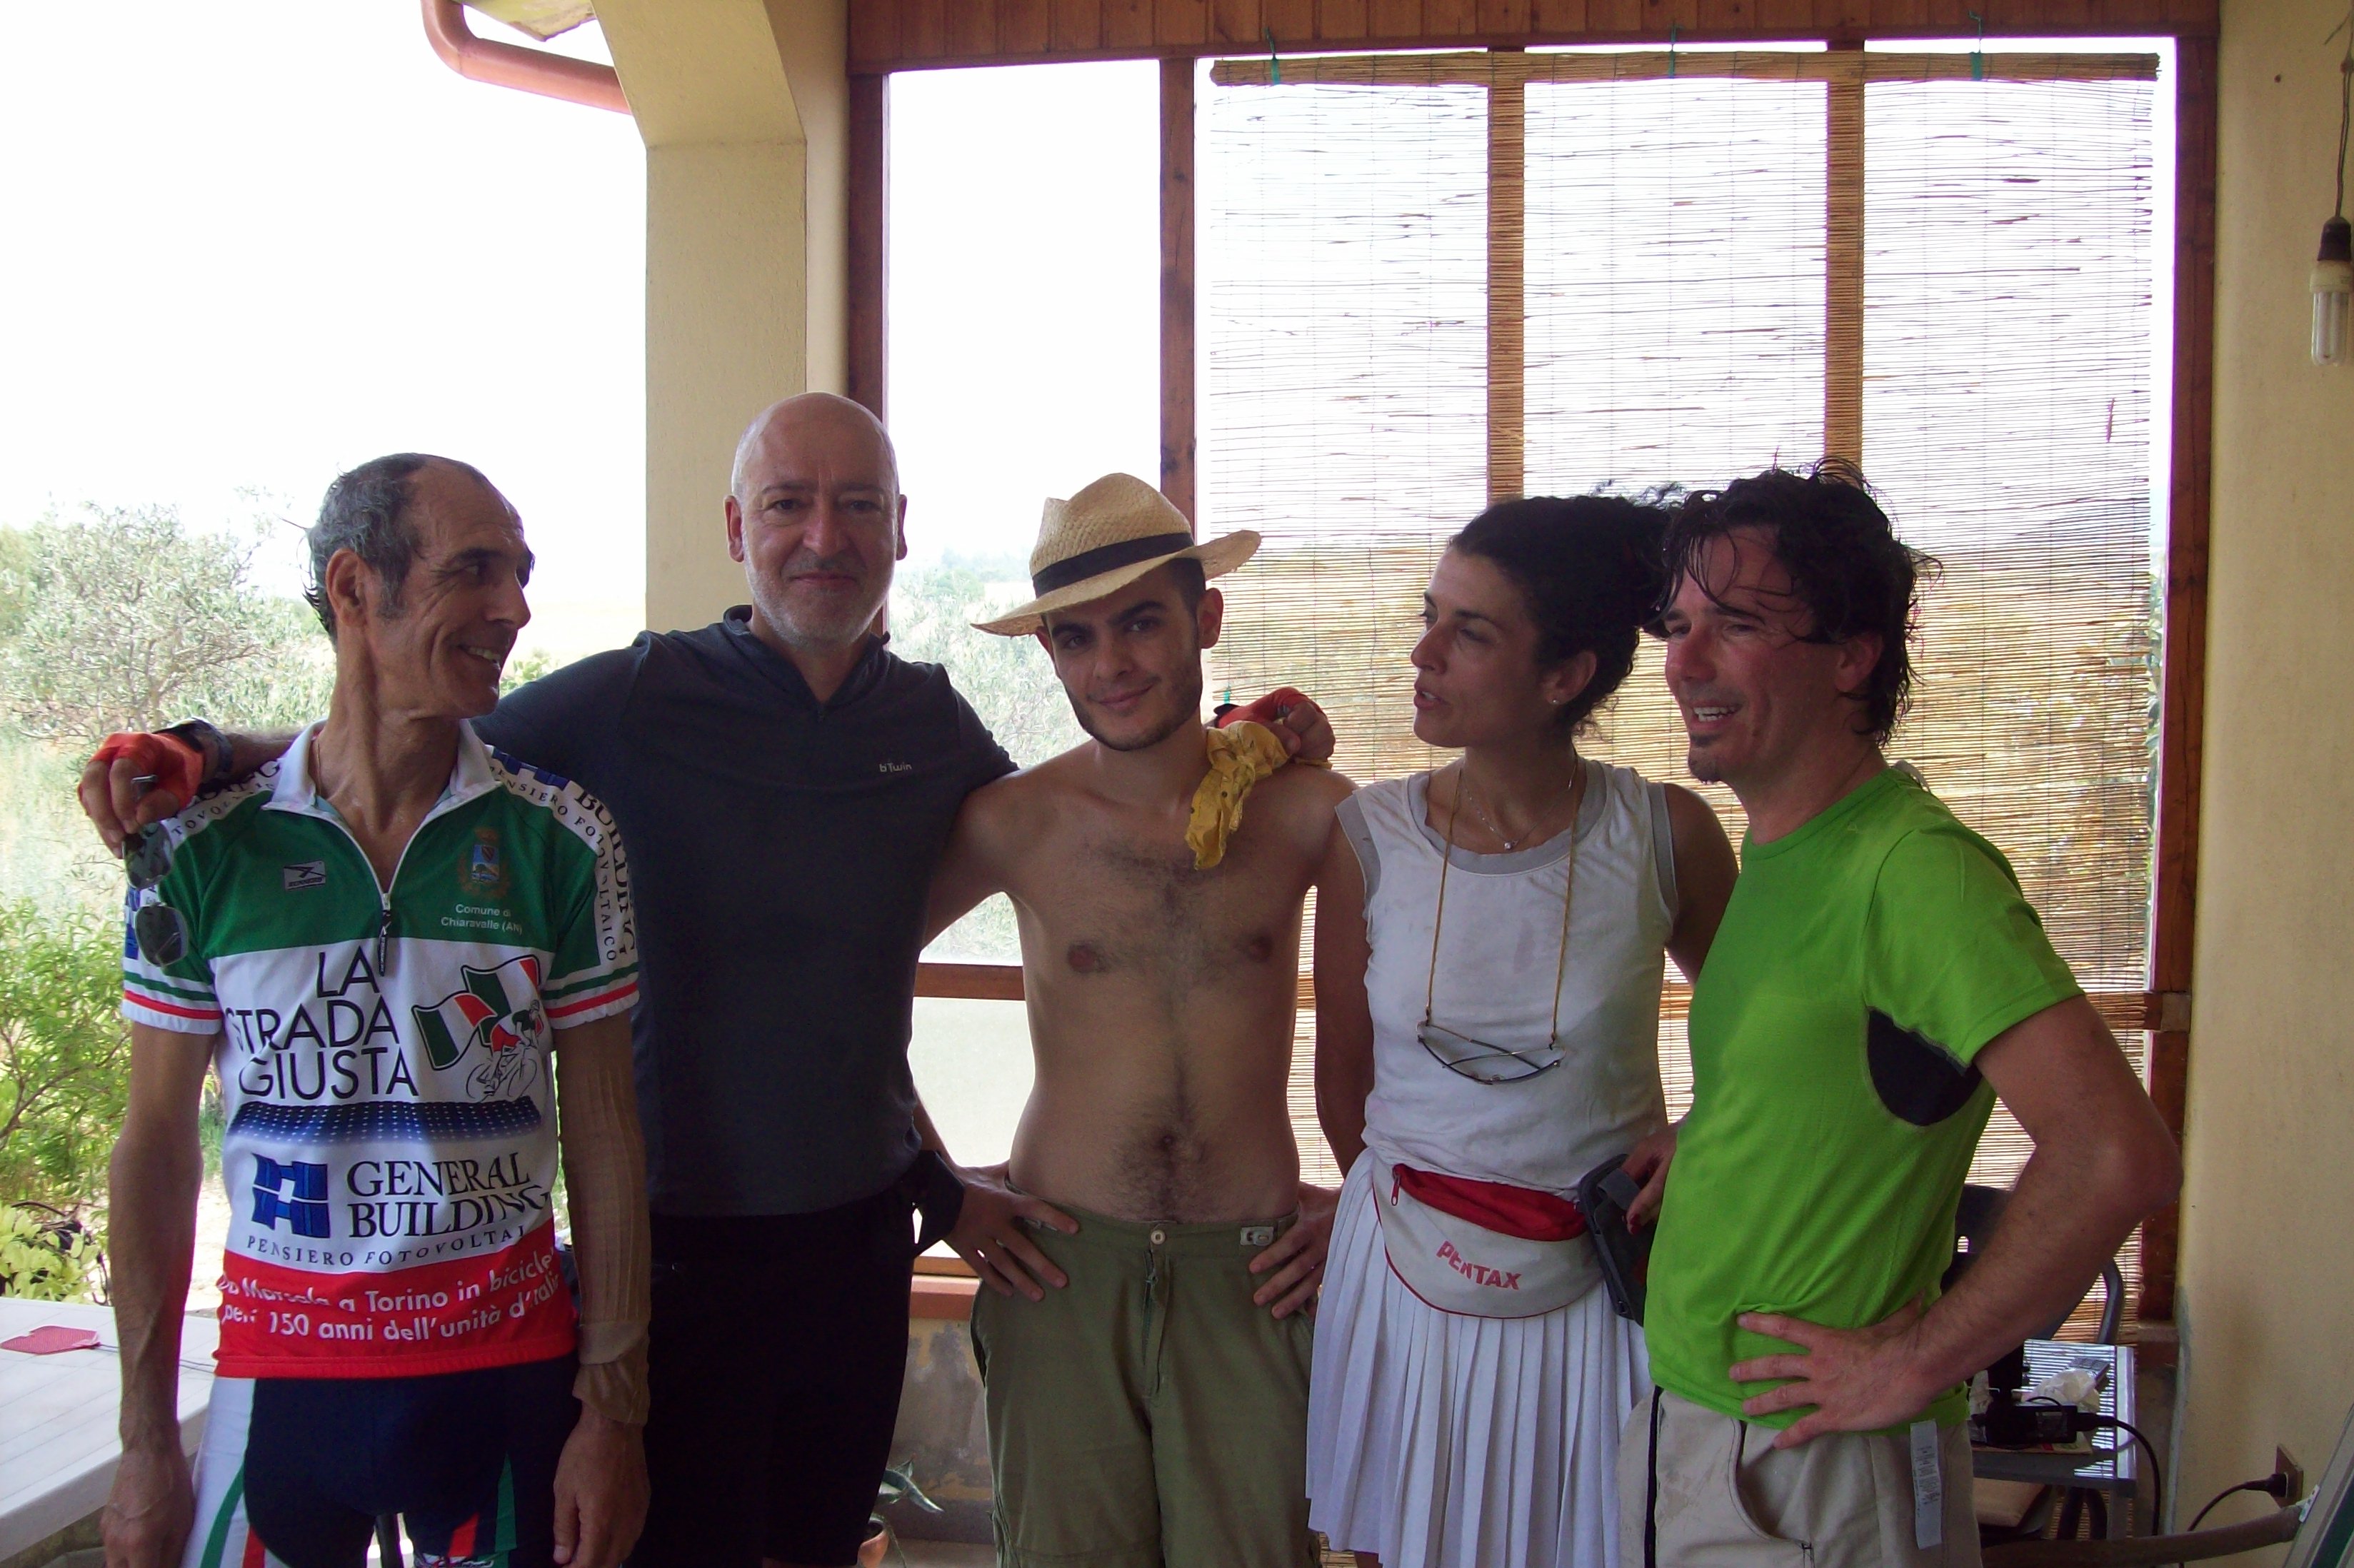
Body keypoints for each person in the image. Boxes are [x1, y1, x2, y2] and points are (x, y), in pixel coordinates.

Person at [80, 397, 1332, 1568]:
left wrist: (1252, 745)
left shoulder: (933, 726)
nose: (824, 537)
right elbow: (409, 738)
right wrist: (211, 753)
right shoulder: (632, 696)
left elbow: (1111, 821)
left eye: (858, 505)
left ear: (901, 530)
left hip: (856, 1251)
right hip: (670, 1256)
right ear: (738, 529)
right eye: (788, 504)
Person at [1622, 464, 2181, 1567]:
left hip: (1810, 1476)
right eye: (1680, 627)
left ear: (1852, 656)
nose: (1685, 662)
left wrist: (1917, 1360)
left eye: (1738, 625)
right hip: (1711, 1436)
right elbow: (1841, 1074)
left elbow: (2118, 1155)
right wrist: (1718, 1137)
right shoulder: (1784, 853)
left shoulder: (1915, 872)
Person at [99, 455, 650, 1568]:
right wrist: (146, 1443)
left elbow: (604, 1132)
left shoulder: (563, 838)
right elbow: (153, 1147)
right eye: (475, 570)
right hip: (281, 1379)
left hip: (504, 1376)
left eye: (521, 572)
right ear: (354, 588)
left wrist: (614, 1410)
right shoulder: (199, 848)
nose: (515, 607)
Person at [919, 472, 1357, 1568]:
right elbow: (842, 985)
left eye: (1142, 622)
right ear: (1050, 654)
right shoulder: (1015, 821)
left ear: (1206, 618)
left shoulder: (1312, 812)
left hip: (1254, 1271)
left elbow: (1404, 1034)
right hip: (1062, 1267)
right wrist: (937, 1184)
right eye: (1076, 637)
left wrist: (1375, 1201)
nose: (1110, 663)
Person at [1306, 496, 1738, 1568]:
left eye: (1470, 633)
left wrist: (1698, 1133)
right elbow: (1344, 1082)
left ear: (1564, 676)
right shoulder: (1368, 837)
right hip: (1405, 1271)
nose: (1424, 654)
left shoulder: (1663, 834)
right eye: (1430, 616)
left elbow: (1764, 1039)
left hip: (1598, 1281)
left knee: (1595, 1543)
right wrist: (1426, 1227)